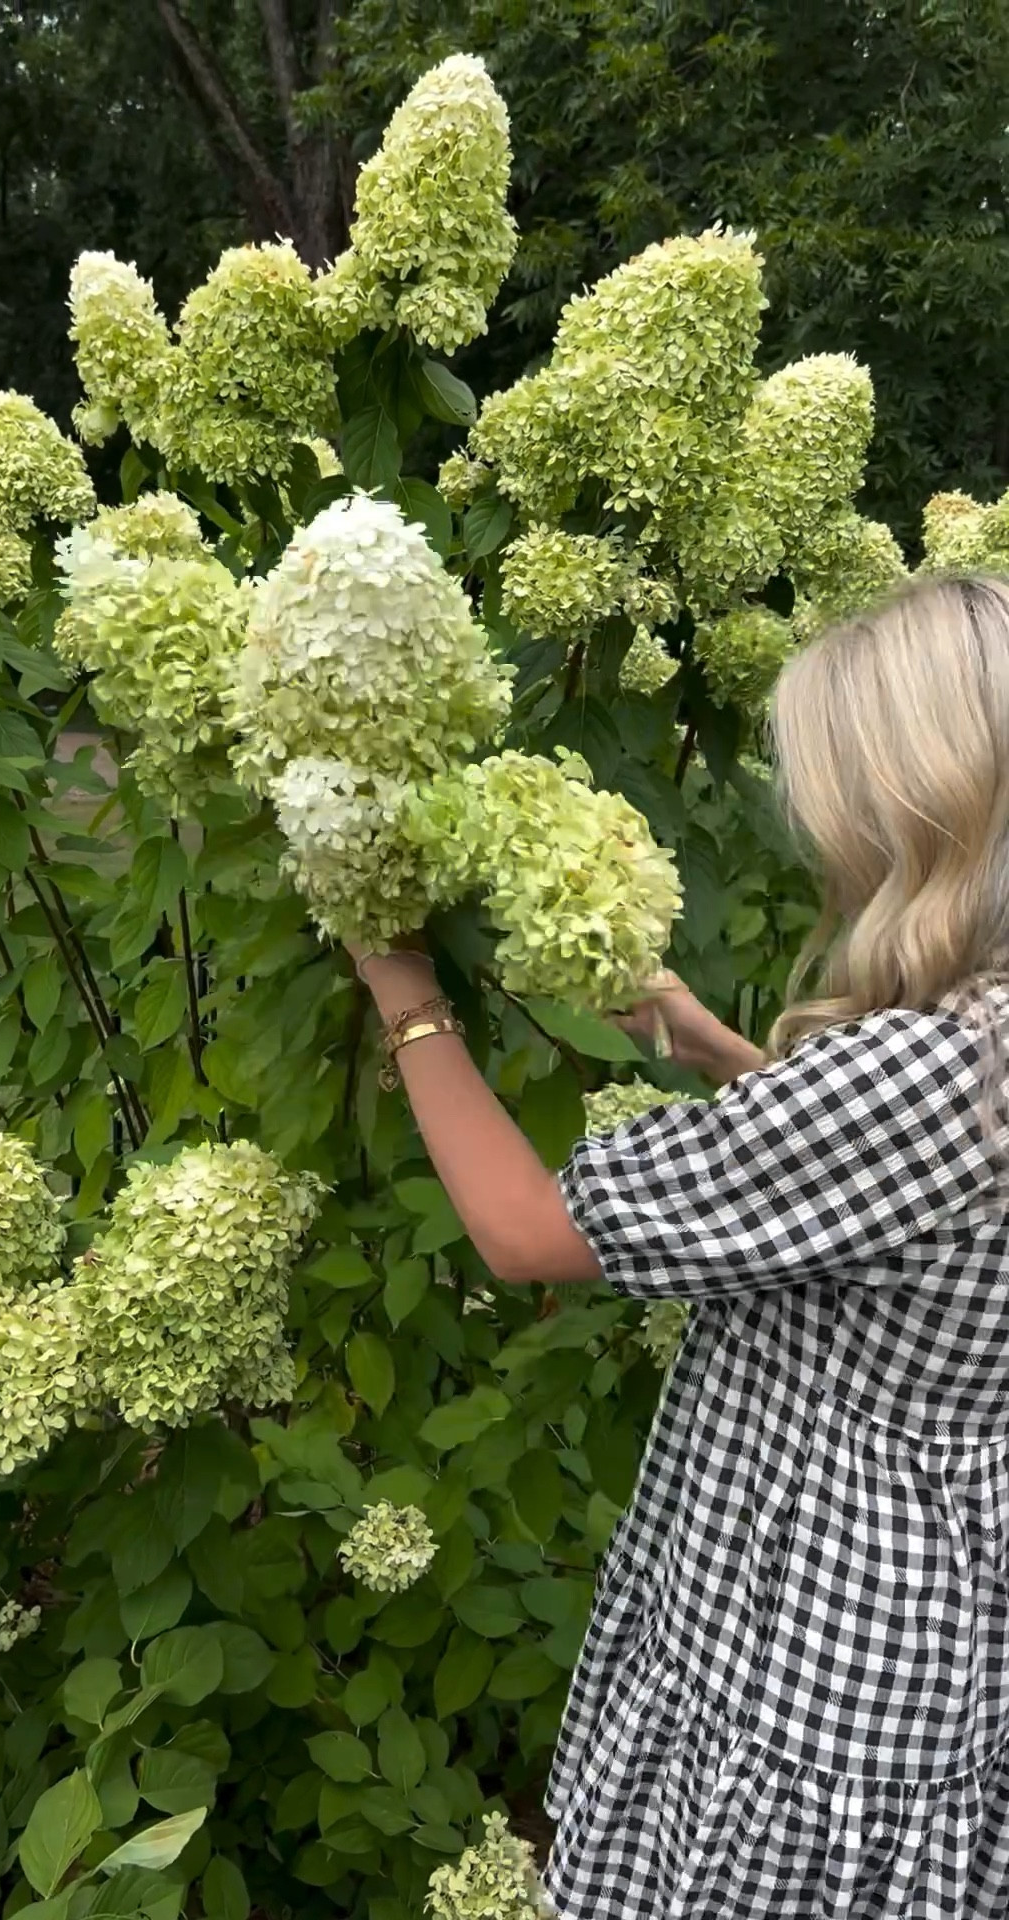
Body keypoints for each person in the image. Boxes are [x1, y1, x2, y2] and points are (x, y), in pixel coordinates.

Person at [352, 572, 1009, 1919]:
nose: (825, 841)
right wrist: (726, 1054)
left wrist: (402, 988)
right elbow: (909, 1217)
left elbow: (526, 1232)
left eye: (843, 806)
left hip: (805, 1648)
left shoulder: (925, 1072)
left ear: (926, 811)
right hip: (930, 1636)